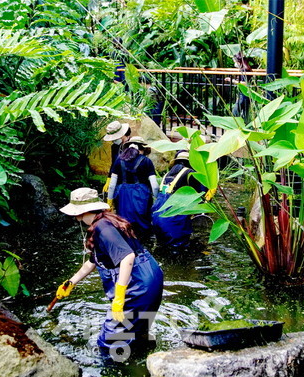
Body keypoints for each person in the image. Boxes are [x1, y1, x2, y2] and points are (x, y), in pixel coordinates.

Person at [56, 188, 164, 361]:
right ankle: (144, 360)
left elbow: (127, 257)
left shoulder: (103, 229)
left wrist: (120, 295)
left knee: (109, 340)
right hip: (150, 276)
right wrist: (71, 282)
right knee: (138, 329)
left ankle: (112, 368)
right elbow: (93, 261)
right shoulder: (106, 221)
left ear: (81, 212)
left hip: (138, 284)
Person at [152, 151, 206, 251]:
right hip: (173, 220)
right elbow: (201, 193)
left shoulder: (168, 174)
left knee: (163, 247)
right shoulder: (190, 173)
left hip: (157, 218)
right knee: (178, 249)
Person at [107, 136, 158, 240]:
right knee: (143, 224)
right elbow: (155, 186)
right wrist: (156, 200)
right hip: (141, 194)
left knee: (124, 223)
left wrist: (109, 201)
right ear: (142, 149)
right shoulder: (146, 161)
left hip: (123, 195)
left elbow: (112, 185)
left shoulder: (119, 161)